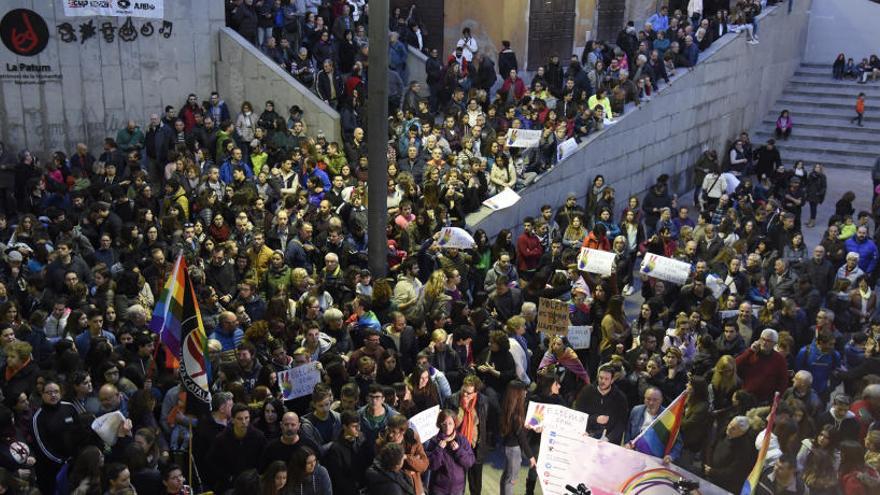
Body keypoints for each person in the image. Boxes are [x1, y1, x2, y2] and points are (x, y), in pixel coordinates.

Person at [425, 408, 476, 495]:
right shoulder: (434, 441)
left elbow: (470, 462)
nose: (447, 427)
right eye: (444, 424)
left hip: (458, 489)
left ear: (454, 424)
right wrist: (439, 449)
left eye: (450, 424)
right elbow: (432, 465)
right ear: (440, 425)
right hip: (439, 489)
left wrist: (459, 451)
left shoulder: (462, 440)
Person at [499, 380, 535, 495]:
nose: (525, 393)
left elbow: (518, 430)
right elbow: (521, 437)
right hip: (514, 449)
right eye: (523, 391)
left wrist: (526, 427)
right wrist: (530, 456)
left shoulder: (509, 408)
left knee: (507, 476)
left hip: (509, 447)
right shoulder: (516, 414)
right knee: (511, 480)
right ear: (518, 394)